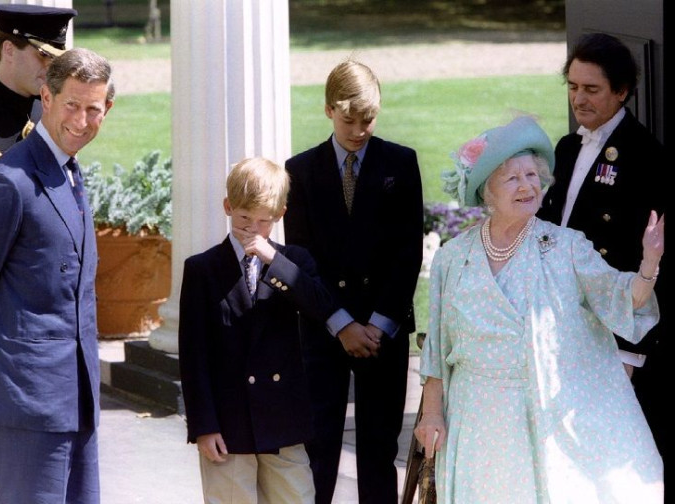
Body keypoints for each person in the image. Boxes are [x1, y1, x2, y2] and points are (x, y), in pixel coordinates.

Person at [414, 115, 664, 503]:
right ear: (487, 192)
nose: (527, 186)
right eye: (513, 178)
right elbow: (437, 348)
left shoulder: (565, 247)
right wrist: (432, 413)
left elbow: (621, 297)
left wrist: (648, 265)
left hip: (538, 412)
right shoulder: (453, 257)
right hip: (474, 413)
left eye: (533, 176)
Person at [0, 47, 114, 503]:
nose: (81, 120)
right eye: (71, 105)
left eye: (92, 109)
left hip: (75, 397)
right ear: (46, 98)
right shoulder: (9, 182)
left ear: (107, 110)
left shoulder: (70, 173)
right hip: (26, 402)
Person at [283, 59, 425, 503]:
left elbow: (408, 253)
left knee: (378, 450)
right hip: (324, 329)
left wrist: (377, 326)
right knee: (319, 448)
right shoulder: (301, 170)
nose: (359, 129)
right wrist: (342, 324)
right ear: (329, 110)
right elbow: (303, 261)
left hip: (384, 329)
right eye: (349, 119)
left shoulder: (400, 163)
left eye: (369, 119)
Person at [536, 32, 668, 472]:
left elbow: (647, 262)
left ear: (622, 91)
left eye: (591, 89)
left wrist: (630, 352)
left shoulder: (647, 158)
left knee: (613, 460)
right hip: (565, 326)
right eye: (573, 87)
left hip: (614, 337)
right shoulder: (567, 147)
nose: (579, 99)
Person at [178, 157, 333, 503]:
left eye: (264, 221)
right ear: (228, 207)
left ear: (280, 216)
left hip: (284, 421)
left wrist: (272, 260)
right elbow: (194, 356)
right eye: (245, 217)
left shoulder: (294, 262)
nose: (252, 228)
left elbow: (321, 308)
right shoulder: (202, 269)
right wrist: (203, 426)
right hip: (228, 424)